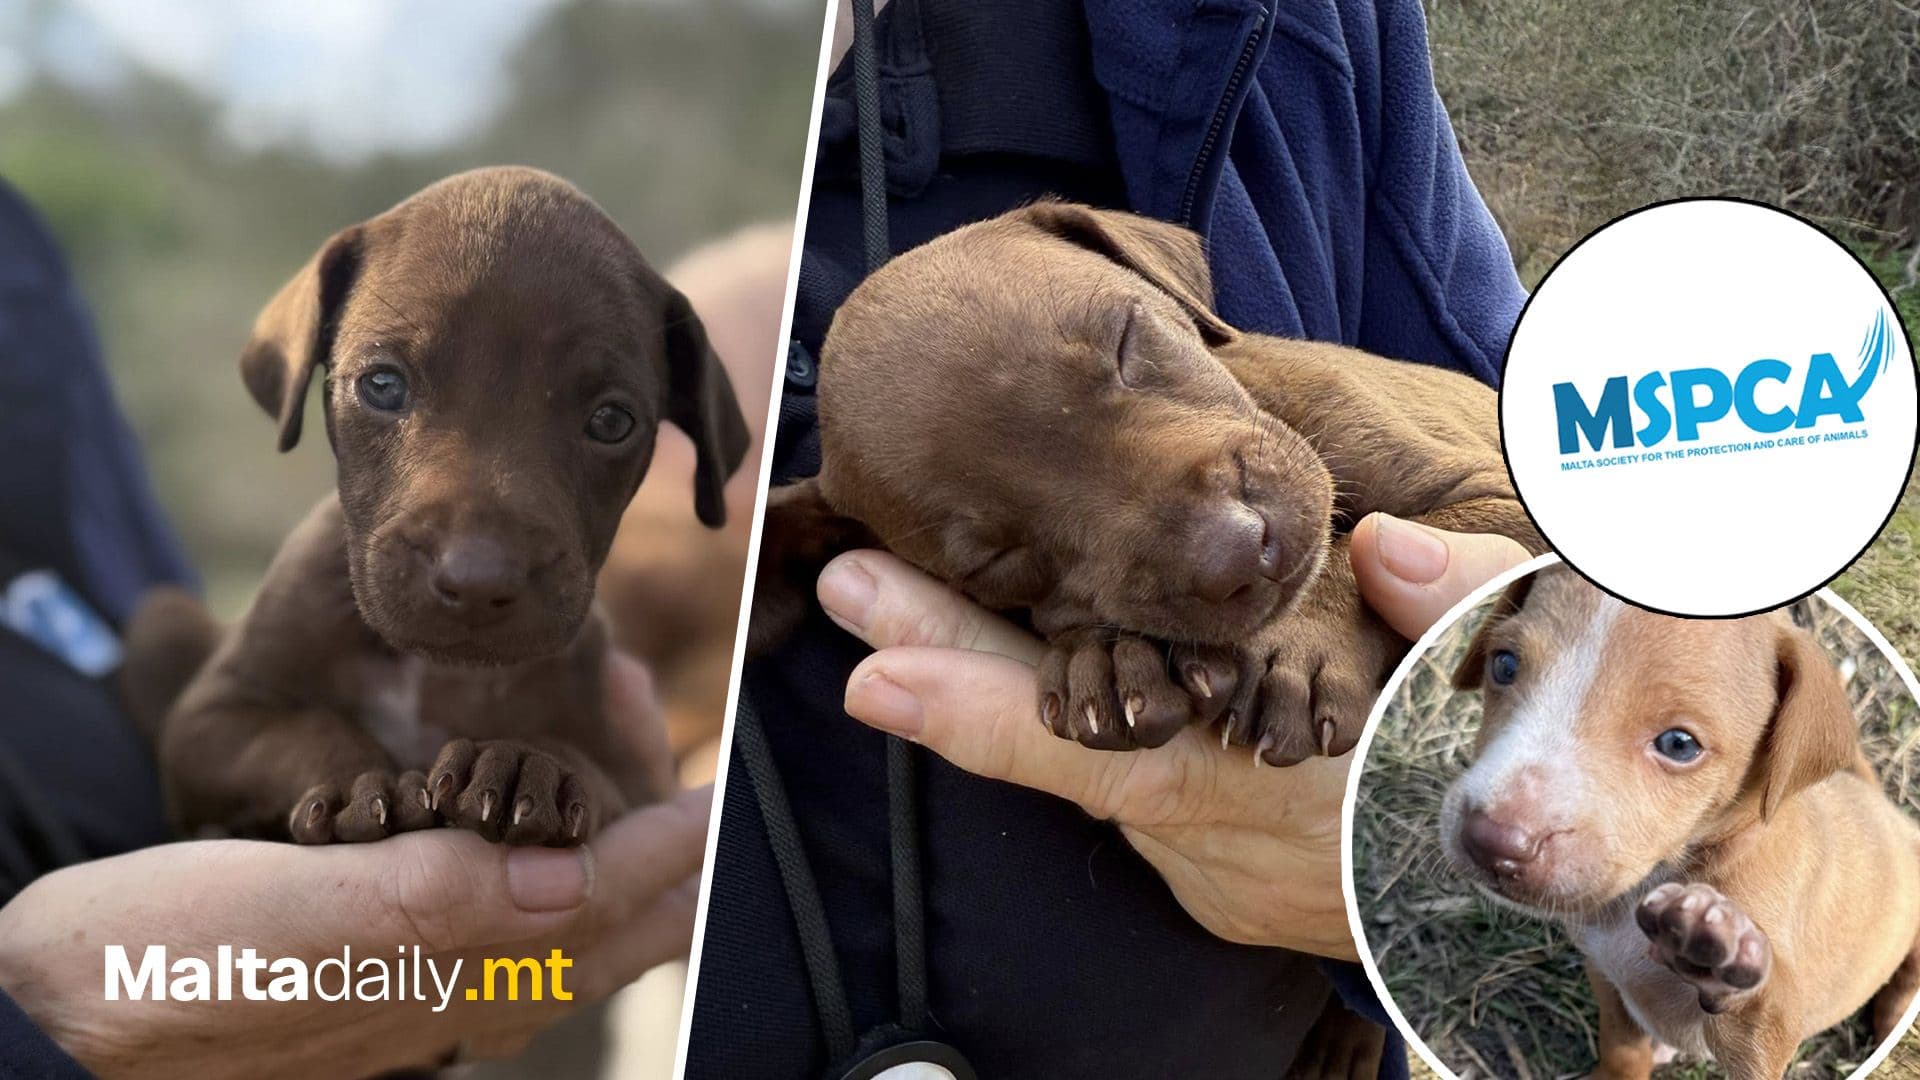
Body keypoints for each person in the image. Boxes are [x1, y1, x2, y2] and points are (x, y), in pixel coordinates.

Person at [685, 1, 1532, 1076]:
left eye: (1134, 354)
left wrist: (1399, 881)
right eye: (1008, 559)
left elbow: (1569, 532)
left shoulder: (1291, 39)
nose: (1225, 542)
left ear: (1156, 274)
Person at [0, 177, 711, 1077]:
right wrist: (330, 772)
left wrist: (563, 783)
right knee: (167, 639)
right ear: (311, 380)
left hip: (497, 1045)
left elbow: (617, 795)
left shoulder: (580, 649)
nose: (476, 562)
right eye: (384, 386)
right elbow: (213, 732)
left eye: (607, 421)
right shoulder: (313, 588)